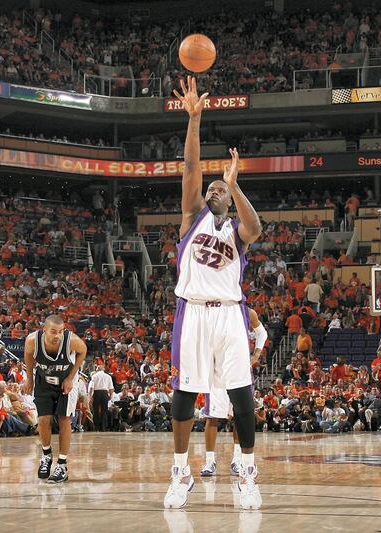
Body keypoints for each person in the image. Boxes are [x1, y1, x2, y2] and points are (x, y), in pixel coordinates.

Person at [164, 76, 262, 511]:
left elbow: (256, 228)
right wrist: (194, 119)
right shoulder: (192, 219)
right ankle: (180, 471)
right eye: (212, 189)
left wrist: (236, 184)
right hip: (193, 313)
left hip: (229, 316)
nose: (212, 190)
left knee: (241, 396)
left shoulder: (236, 232)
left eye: (219, 189)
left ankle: (246, 471)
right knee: (185, 395)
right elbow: (190, 168)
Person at [200, 308, 268, 477]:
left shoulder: (247, 311)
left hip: (239, 371)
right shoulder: (211, 309)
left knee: (240, 415)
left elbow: (262, 333)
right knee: (212, 416)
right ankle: (210, 460)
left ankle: (237, 460)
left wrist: (256, 354)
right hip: (215, 371)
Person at [23, 315, 87, 484]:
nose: (57, 335)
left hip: (65, 382)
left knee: (64, 419)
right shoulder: (32, 341)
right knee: (43, 419)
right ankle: (46, 455)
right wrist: (29, 379)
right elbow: (28, 357)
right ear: (44, 330)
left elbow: (83, 351)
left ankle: (62, 464)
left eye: (60, 331)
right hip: (44, 380)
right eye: (53, 331)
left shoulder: (72, 341)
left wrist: (71, 377)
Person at [90, 361, 113, 432]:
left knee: (95, 410)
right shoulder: (108, 376)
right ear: (103, 369)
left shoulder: (94, 376)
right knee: (104, 411)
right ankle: (103, 428)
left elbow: (91, 387)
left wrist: (91, 396)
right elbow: (111, 388)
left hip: (97, 393)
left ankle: (96, 427)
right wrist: (110, 395)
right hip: (105, 393)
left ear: (97, 370)